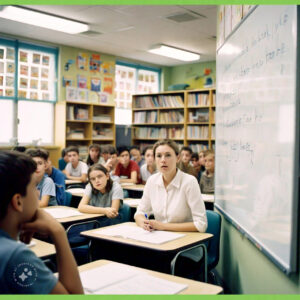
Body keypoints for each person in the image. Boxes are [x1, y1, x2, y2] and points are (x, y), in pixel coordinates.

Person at [0, 151, 83, 294]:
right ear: (18, 201)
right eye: (33, 187)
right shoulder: (15, 256)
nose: (38, 193)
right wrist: (58, 232)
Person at [134, 139, 207, 232]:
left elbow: (201, 224)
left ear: (178, 158)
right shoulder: (152, 181)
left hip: (185, 239)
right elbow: (140, 212)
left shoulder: (189, 182)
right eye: (159, 156)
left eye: (168, 155)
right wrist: (144, 223)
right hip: (159, 237)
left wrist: (163, 226)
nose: (163, 160)